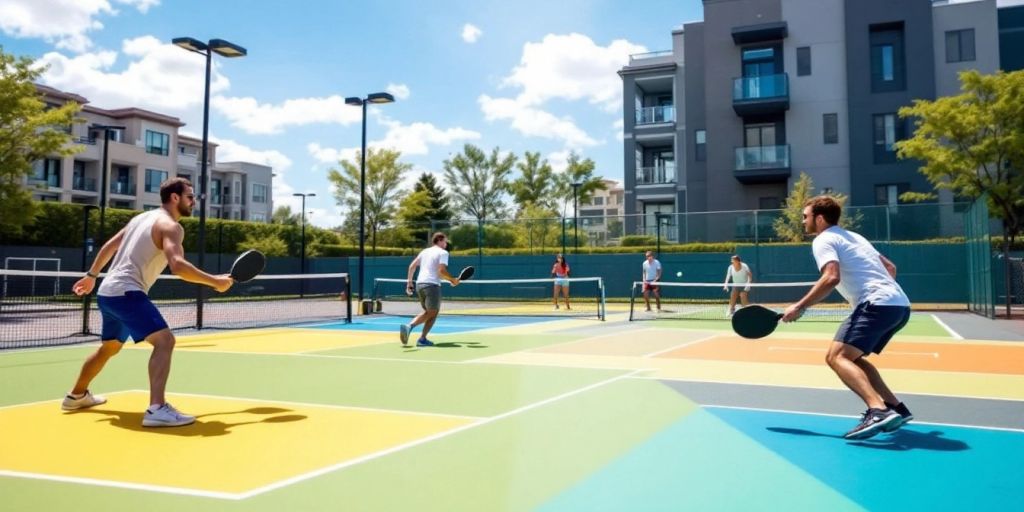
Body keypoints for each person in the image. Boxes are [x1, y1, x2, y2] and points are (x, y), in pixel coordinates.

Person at [64, 178, 233, 427]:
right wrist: (215, 281)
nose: (193, 201)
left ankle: (76, 395)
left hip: (108, 292)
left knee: (109, 347)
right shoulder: (171, 226)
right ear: (175, 198)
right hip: (127, 292)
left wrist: (92, 275)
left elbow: (110, 245)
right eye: (190, 196)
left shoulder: (141, 219)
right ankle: (157, 409)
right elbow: (177, 266)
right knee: (165, 341)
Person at [781, 196, 913, 440]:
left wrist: (800, 306)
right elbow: (890, 268)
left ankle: (878, 411)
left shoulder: (824, 239)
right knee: (854, 359)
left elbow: (831, 277)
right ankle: (895, 407)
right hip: (900, 305)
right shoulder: (854, 237)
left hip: (876, 304)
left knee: (836, 357)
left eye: (805, 216)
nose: (803, 221)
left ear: (819, 219)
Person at [400, 232, 460, 347]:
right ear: (440, 240)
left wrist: (409, 283)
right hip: (431, 286)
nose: (446, 244)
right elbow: (441, 271)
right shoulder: (443, 253)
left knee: (431, 313)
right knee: (432, 312)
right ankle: (409, 326)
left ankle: (422, 339)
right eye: (445, 241)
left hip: (420, 285)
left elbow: (412, 266)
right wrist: (453, 280)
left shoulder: (424, 252)